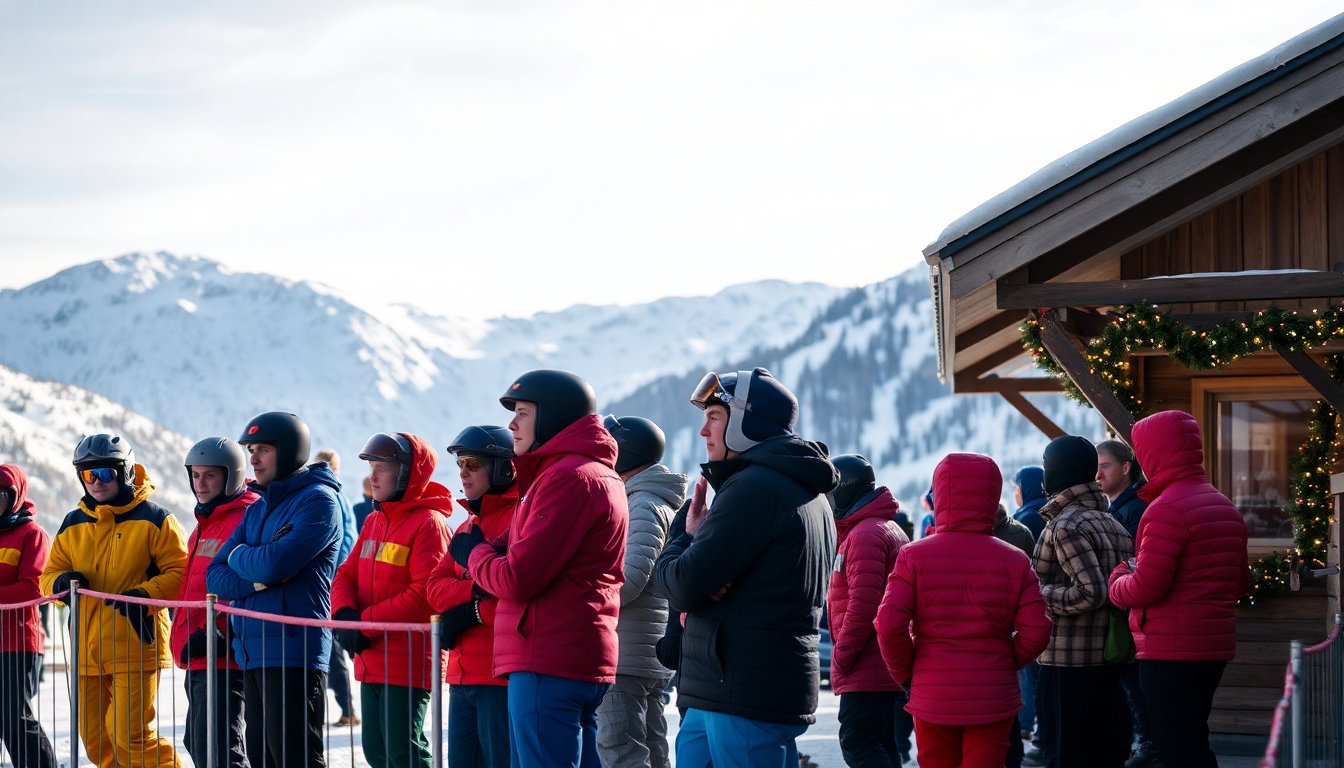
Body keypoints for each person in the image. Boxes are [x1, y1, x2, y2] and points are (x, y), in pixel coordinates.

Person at [654, 367, 837, 767]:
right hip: (730, 687)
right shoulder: (805, 491)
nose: (703, 431)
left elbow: (683, 585)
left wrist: (682, 540)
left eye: (714, 417)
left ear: (746, 421)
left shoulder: (755, 487)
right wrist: (704, 574)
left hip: (742, 689)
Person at [448, 370, 628, 767]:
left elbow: (518, 578)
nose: (512, 423)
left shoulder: (566, 478)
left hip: (546, 656)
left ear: (553, 417)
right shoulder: (595, 474)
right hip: (576, 653)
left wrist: (476, 555)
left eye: (524, 412)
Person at [875, 452, 1051, 768]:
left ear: (940, 493)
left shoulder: (914, 557)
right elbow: (1038, 628)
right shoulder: (1014, 559)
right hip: (992, 691)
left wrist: (907, 671)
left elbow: (888, 624)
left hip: (932, 688)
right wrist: (1005, 659)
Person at [206, 412, 349, 768]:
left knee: (295, 758)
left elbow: (276, 563)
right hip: (253, 651)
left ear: (289, 452)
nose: (252, 459)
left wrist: (247, 559)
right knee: (262, 757)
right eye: (251, 450)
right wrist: (256, 575)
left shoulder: (318, 501)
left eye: (263, 450)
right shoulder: (259, 508)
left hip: (294, 652)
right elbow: (216, 575)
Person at [1108, 411, 1249, 768]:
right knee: (1192, 741)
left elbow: (1145, 586)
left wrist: (1117, 580)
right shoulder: (1223, 505)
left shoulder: (1165, 510)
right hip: (1212, 645)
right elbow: (1239, 583)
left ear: (1154, 453)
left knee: (1176, 748)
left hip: (1170, 649)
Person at [41, 434, 187, 767]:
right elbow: (48, 575)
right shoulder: (73, 523)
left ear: (124, 473)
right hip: (86, 650)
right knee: (96, 742)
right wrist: (60, 583)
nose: (96, 482)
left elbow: (181, 573)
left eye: (105, 473)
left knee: (130, 738)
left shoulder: (155, 519)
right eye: (88, 474)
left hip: (135, 643)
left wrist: (145, 595)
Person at [332, 432, 451, 768]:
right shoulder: (374, 520)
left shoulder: (429, 524)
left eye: (381, 467)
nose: (373, 476)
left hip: (407, 659)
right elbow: (345, 574)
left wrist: (363, 624)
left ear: (406, 474)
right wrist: (343, 613)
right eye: (372, 466)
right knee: (376, 750)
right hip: (371, 657)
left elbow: (424, 594)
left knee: (404, 752)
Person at [1034, 435, 1134, 768]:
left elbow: (1092, 591)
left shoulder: (1065, 525)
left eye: (1048, 465)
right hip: (1109, 654)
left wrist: (1037, 593)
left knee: (1065, 753)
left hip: (1067, 661)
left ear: (1058, 471)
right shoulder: (1112, 522)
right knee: (1104, 751)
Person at [597, 415, 688, 768]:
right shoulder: (648, 500)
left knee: (622, 751)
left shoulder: (643, 504)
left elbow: (630, 579)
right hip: (641, 650)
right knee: (650, 749)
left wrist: (584, 600)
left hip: (627, 655)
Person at [427, 425, 519, 768]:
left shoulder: (518, 519)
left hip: (498, 676)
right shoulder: (467, 526)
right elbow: (434, 590)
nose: (463, 472)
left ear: (502, 467)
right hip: (461, 675)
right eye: (460, 464)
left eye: (472, 464)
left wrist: (473, 612)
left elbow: (514, 594)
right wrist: (478, 589)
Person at [172, 438, 258, 768]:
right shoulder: (206, 522)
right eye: (195, 475)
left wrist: (215, 633)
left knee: (219, 747)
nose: (201, 484)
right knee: (196, 741)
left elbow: (245, 584)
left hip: (222, 654)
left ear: (231, 477)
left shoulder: (244, 518)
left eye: (210, 476)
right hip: (197, 652)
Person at [826, 454, 910, 768]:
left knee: (858, 742)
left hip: (868, 662)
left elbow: (863, 606)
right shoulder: (878, 528)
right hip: (881, 660)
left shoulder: (865, 535)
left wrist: (842, 656)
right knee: (882, 741)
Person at [1094, 439, 1156, 768]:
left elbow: (1133, 563)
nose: (1097, 473)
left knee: (1135, 684)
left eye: (1105, 466)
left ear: (1126, 468)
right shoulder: (1117, 508)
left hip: (1133, 612)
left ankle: (1148, 744)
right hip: (1124, 610)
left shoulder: (1136, 510)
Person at [0, 464, 57, 768]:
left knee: (14, 719)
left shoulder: (31, 534)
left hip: (16, 643)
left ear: (14, 497)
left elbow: (32, 588)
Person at [314, 447, 359, 727]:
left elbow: (343, 542)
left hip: (331, 583)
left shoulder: (331, 497)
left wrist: (331, 576)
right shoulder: (337, 495)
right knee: (333, 647)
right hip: (333, 581)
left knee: (333, 648)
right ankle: (347, 707)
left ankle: (348, 708)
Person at [1012, 466, 1047, 542]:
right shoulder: (1052, 507)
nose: (1015, 492)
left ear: (1022, 488)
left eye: (1016, 487)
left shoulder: (1027, 519)